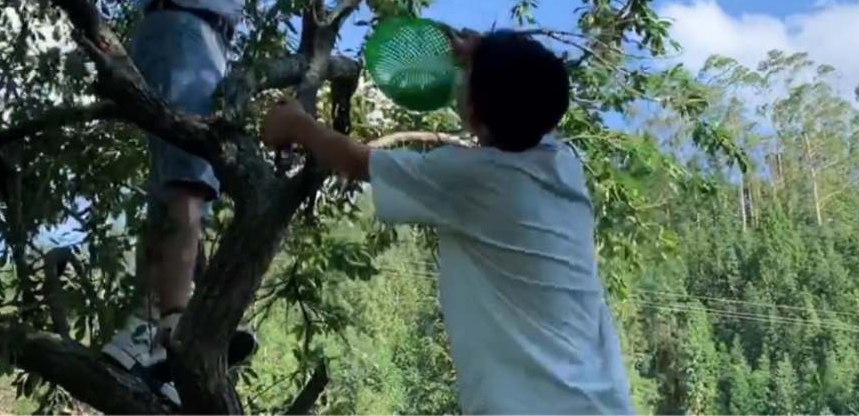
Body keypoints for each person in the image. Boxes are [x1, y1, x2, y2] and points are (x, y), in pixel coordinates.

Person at [101, 0, 357, 402]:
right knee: (188, 181)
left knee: (184, 185)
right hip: (180, 30)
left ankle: (150, 334)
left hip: (207, 39)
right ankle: (168, 326)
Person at [261, 29, 636, 416]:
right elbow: (533, 91)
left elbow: (358, 162)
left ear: (474, 115)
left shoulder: (477, 179)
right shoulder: (563, 164)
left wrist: (297, 125)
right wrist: (490, 55)